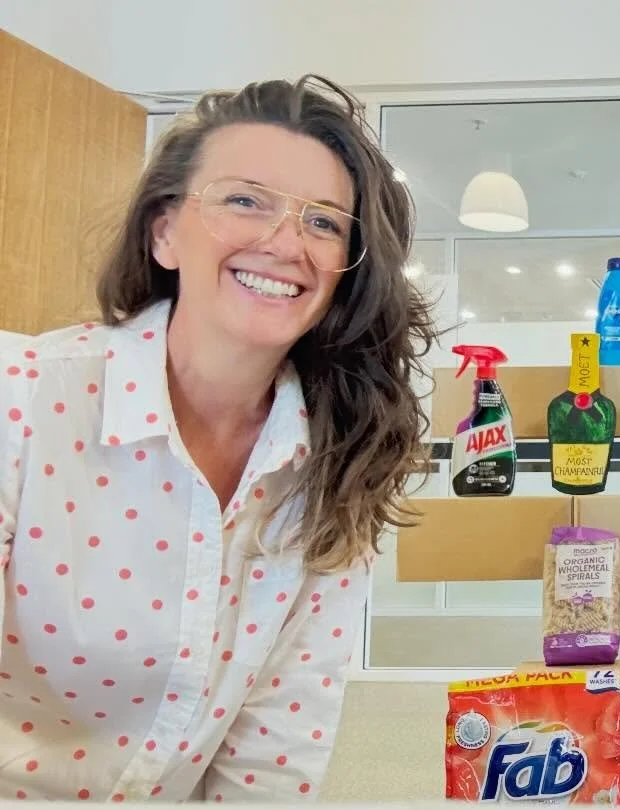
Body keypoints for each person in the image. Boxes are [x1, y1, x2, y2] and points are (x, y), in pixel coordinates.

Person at [0, 75, 437, 800]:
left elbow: (272, 760)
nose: (285, 242)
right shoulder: (20, 396)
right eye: (245, 200)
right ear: (164, 231)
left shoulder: (337, 463)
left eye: (325, 222)